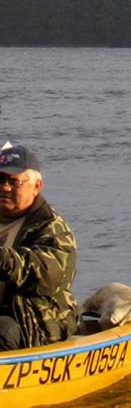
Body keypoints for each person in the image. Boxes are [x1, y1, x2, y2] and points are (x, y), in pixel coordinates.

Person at [0, 144, 78, 351]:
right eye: (0, 180)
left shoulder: (51, 226)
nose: (4, 188)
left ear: (36, 186)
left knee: (2, 331)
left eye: (13, 182)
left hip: (34, 321)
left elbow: (48, 276)